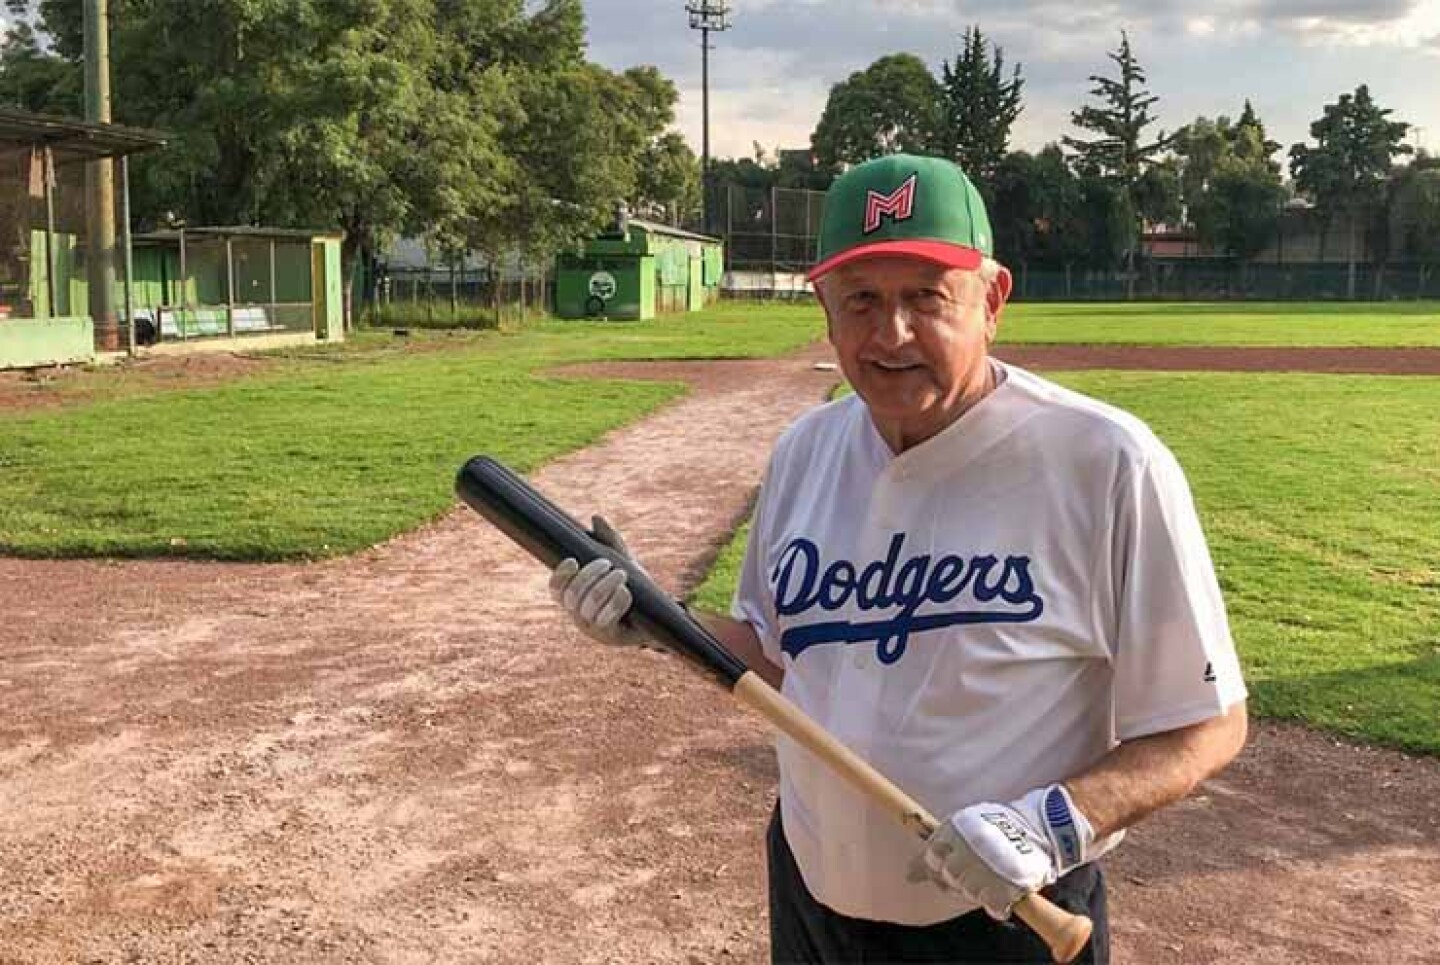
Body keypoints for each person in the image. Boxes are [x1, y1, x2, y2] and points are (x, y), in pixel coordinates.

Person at [548, 153, 1248, 964]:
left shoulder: (1107, 461)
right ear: (826, 311)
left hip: (1010, 924)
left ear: (992, 300)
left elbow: (1206, 722)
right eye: (863, 301)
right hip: (814, 903)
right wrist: (653, 617)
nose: (891, 334)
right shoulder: (807, 450)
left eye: (925, 296)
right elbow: (782, 659)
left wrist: (1051, 824)